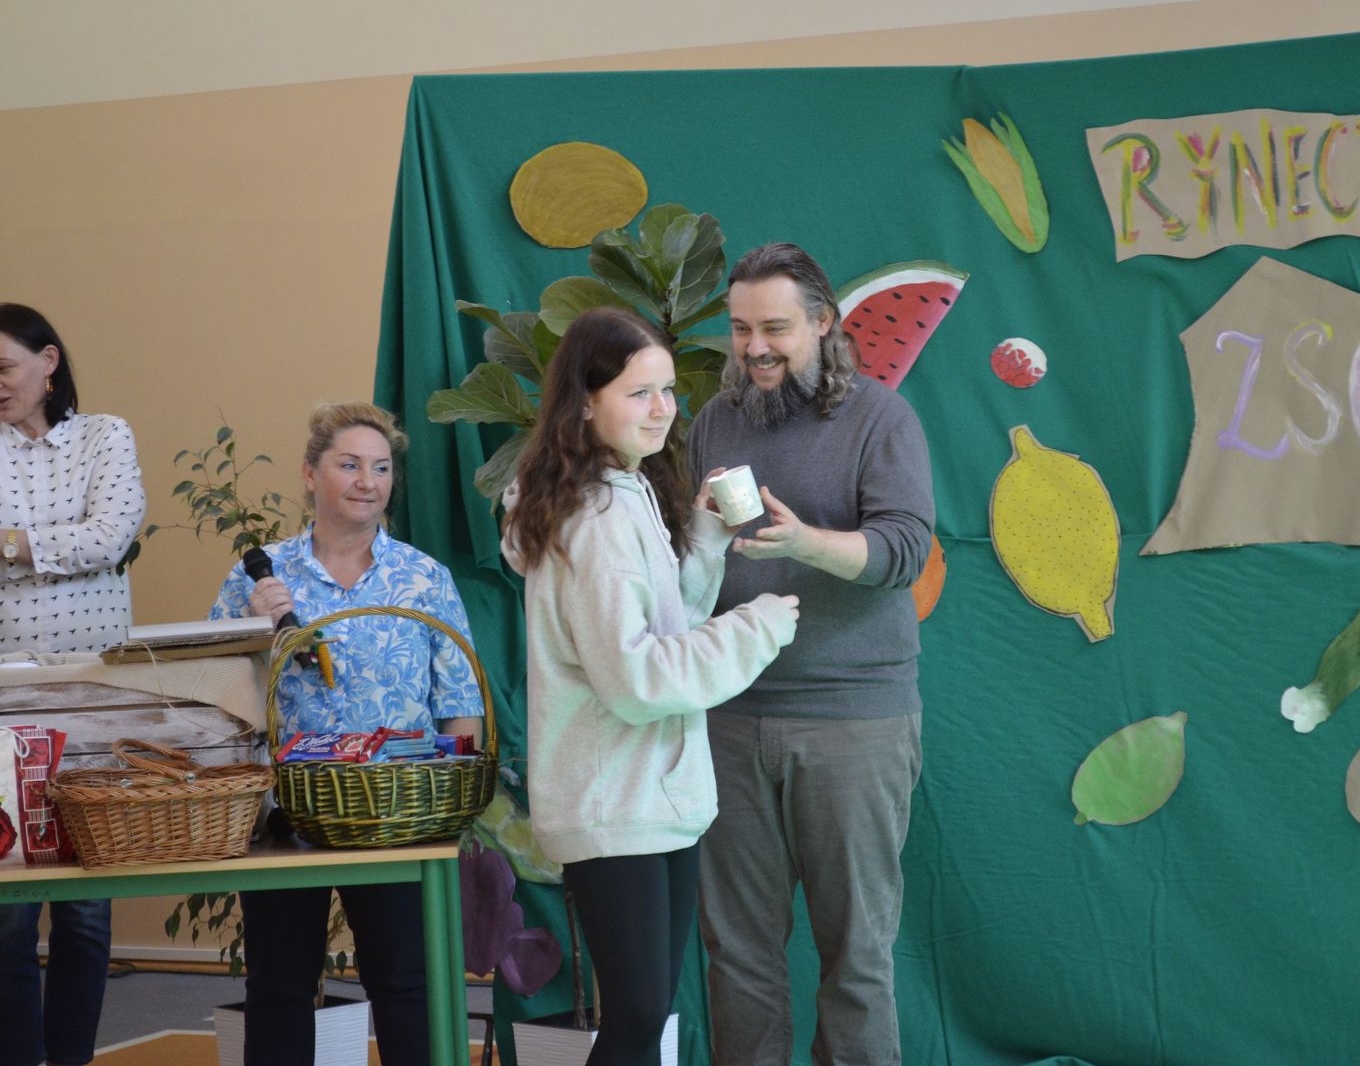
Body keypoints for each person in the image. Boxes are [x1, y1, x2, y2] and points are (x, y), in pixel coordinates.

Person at [501, 307, 799, 1066]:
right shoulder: (598, 515)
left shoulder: (621, 491)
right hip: (618, 802)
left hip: (647, 801)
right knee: (636, 1021)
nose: (662, 409)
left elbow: (659, 628)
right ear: (585, 402)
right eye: (639, 393)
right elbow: (636, 679)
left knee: (643, 1017)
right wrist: (756, 627)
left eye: (667, 390)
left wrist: (705, 540)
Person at [686, 243, 935, 1066]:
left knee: (855, 954)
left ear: (823, 323)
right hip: (728, 718)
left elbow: (903, 550)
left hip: (852, 719)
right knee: (736, 953)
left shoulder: (881, 420)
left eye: (775, 329)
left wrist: (804, 543)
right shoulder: (714, 422)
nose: (754, 347)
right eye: (740, 329)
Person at [208, 401, 483, 1066]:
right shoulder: (260, 576)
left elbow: (460, 702)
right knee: (278, 987)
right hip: (286, 816)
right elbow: (214, 699)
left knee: (407, 984)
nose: (368, 481)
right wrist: (253, 629)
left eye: (381, 468)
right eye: (350, 464)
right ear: (310, 474)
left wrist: (450, 811)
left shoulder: (423, 578)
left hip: (399, 813)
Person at [0, 301, 145, 1066]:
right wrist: (57, 545)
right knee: (8, 912)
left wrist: (12, 546)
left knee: (86, 909)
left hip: (95, 695)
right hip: (6, 699)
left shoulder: (104, 436)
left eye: (4, 368)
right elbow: (83, 540)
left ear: (48, 363)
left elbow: (111, 536)